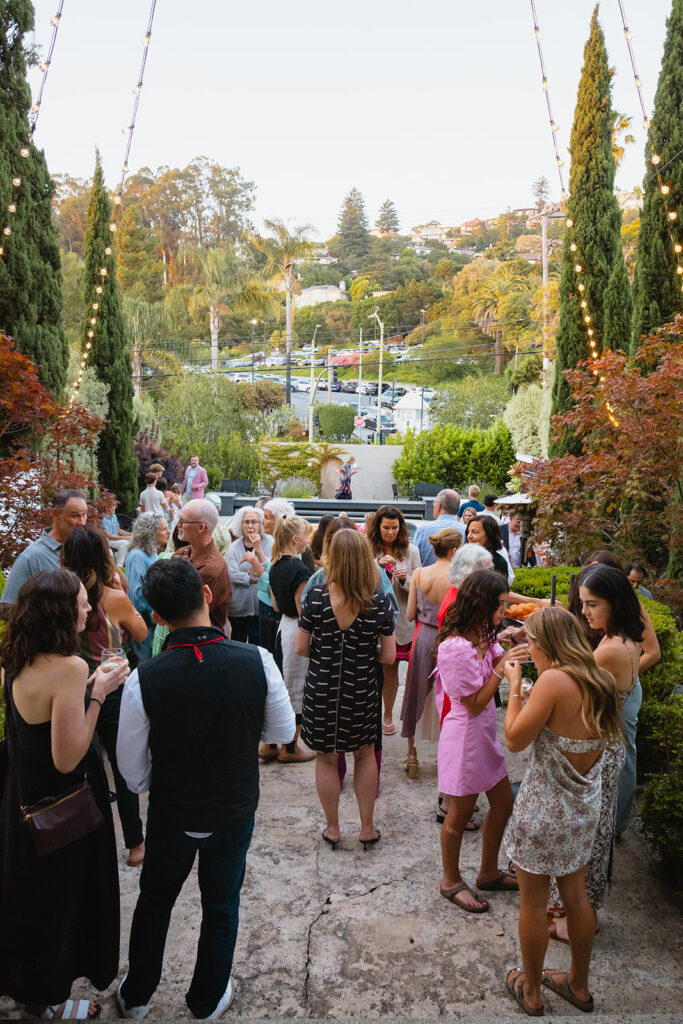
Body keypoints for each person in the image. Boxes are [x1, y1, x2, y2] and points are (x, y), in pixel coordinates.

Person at [116, 559, 295, 1021]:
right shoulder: (256, 660)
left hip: (174, 811)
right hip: (233, 806)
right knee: (221, 903)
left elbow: (133, 776)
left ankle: (136, 996)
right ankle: (208, 997)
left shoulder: (146, 677)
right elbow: (281, 728)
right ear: (208, 596)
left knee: (156, 899)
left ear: (156, 617)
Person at [0, 568, 128, 1019]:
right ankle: (50, 1004)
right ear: (61, 611)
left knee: (29, 904)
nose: (90, 607)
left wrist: (87, 688)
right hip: (61, 815)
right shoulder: (71, 667)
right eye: (81, 602)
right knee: (59, 909)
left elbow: (41, 723)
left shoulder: (20, 656)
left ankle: (32, 993)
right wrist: (101, 692)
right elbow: (68, 758)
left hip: (22, 803)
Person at [502, 607, 621, 1016]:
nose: (528, 650)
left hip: (543, 812)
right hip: (581, 809)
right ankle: (578, 985)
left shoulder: (553, 680)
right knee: (575, 898)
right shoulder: (600, 680)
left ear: (548, 644)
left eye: (531, 644)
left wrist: (516, 686)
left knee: (533, 904)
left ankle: (532, 992)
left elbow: (515, 740)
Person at [546, 566, 643, 944]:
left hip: (601, 751)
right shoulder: (622, 639)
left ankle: (579, 918)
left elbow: (570, 689)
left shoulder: (610, 650)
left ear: (614, 603)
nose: (585, 611)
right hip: (609, 744)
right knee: (594, 835)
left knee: (588, 838)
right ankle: (577, 911)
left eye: (592, 604)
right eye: (583, 603)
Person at [296, 530, 396, 848]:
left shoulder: (315, 596)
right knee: (365, 755)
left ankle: (333, 827)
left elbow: (301, 648)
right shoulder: (378, 599)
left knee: (326, 759)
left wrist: (325, 653)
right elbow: (390, 656)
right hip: (362, 687)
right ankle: (367, 827)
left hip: (322, 687)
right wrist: (366, 652)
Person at [436, 570, 527, 912]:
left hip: (484, 734)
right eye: (501, 605)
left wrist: (515, 642)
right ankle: (450, 881)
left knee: (504, 804)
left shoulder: (483, 633)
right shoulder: (454, 647)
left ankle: (488, 872)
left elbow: (500, 657)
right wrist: (502, 668)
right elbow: (473, 703)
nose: (504, 611)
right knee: (458, 816)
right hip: (465, 738)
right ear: (482, 603)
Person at [62, 526, 148, 867]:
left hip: (71, 685)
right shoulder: (113, 597)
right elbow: (140, 632)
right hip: (111, 686)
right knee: (122, 765)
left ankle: (81, 840)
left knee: (79, 765)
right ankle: (135, 845)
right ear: (104, 556)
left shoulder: (59, 591)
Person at [401, 528, 462, 779]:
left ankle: (412, 756)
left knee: (415, 692)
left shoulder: (418, 573)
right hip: (452, 638)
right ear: (455, 551)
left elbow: (409, 615)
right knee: (453, 698)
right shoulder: (461, 578)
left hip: (424, 637)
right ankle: (448, 756)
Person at [367, 505, 421, 735]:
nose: (390, 532)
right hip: (374, 620)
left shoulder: (412, 551)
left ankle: (397, 714)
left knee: (402, 670)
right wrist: (377, 567)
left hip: (403, 620)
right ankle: (381, 713)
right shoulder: (368, 550)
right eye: (386, 528)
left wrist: (404, 579)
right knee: (383, 671)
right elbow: (361, 583)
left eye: (395, 528)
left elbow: (421, 586)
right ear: (377, 527)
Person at [268, 515, 315, 765]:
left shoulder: (275, 566)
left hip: (281, 628)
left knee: (279, 685)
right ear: (295, 539)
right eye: (306, 535)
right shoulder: (300, 569)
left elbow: (276, 604)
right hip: (296, 630)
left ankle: (270, 743)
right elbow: (302, 609)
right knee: (295, 689)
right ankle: (291, 746)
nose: (308, 540)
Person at [0, 490, 88, 616]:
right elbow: (6, 608)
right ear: (56, 513)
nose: (82, 522)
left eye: (84, 515)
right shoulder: (30, 557)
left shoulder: (84, 549)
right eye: (75, 516)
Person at [173, 499, 231, 632]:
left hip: (199, 640)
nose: (177, 524)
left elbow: (184, 615)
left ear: (201, 527)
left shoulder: (210, 570)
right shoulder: (183, 553)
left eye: (182, 521)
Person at [125, 512, 170, 662]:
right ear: (150, 533)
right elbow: (136, 597)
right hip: (146, 626)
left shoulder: (150, 552)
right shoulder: (137, 555)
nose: (168, 531)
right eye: (163, 529)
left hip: (153, 622)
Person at [227, 506, 274, 643]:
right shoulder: (235, 546)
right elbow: (231, 574)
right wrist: (250, 578)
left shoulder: (270, 542)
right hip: (239, 607)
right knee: (238, 642)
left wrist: (258, 551)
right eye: (246, 522)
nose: (250, 526)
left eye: (254, 522)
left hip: (263, 606)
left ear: (260, 524)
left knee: (260, 644)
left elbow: (271, 569)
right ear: (241, 525)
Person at [257, 498, 296, 659]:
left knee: (270, 655)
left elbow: (271, 584)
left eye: (267, 517)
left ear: (279, 521)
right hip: (267, 607)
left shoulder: (285, 549)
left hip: (272, 611)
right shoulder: (277, 545)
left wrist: (256, 566)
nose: (262, 521)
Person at [437, 544, 494, 629]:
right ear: (471, 572)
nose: (492, 575)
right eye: (488, 570)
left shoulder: (468, 593)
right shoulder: (457, 605)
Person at [412, 490, 466, 567]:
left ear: (438, 506)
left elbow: (414, 560)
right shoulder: (467, 531)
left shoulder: (423, 530)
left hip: (427, 577)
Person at [465, 515, 513, 583]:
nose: (469, 536)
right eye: (468, 532)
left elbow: (501, 591)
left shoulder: (498, 562)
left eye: (475, 532)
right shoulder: (463, 557)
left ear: (489, 534)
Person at [101, 494, 132, 568]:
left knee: (132, 540)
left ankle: (127, 563)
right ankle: (119, 566)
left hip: (116, 540)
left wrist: (131, 534)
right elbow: (107, 535)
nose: (115, 508)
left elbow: (119, 530)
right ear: (106, 507)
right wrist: (124, 538)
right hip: (109, 541)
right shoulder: (102, 519)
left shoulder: (114, 516)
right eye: (112, 506)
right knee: (124, 543)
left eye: (115, 506)